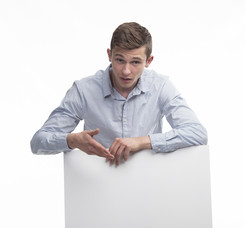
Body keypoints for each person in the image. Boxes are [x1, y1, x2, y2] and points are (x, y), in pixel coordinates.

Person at [30, 22, 207, 166]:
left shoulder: (161, 86)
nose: (126, 71)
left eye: (135, 62)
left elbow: (197, 133)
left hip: (149, 183)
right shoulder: (83, 90)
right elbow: (38, 142)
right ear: (109, 55)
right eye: (120, 60)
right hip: (95, 187)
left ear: (149, 61)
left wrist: (142, 141)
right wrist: (72, 140)